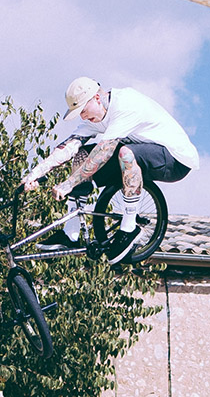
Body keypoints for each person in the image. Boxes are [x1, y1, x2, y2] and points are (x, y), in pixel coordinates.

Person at [22, 77, 199, 264]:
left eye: (83, 110)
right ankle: (71, 234)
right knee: (81, 153)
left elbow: (103, 152)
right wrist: (35, 173)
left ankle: (130, 228)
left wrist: (68, 184)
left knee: (125, 152)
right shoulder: (95, 118)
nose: (82, 117)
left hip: (174, 160)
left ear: (97, 98)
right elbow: (68, 147)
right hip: (142, 154)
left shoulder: (126, 104)